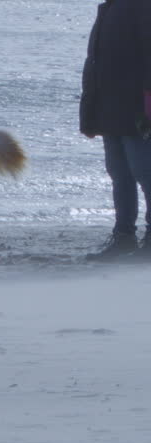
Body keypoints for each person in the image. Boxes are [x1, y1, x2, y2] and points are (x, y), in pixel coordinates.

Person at [80, 0, 151, 261]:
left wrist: (148, 108)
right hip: (110, 111)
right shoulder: (109, 8)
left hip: (136, 112)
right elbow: (94, 66)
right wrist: (89, 116)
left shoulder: (141, 7)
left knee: (145, 173)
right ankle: (123, 237)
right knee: (120, 175)